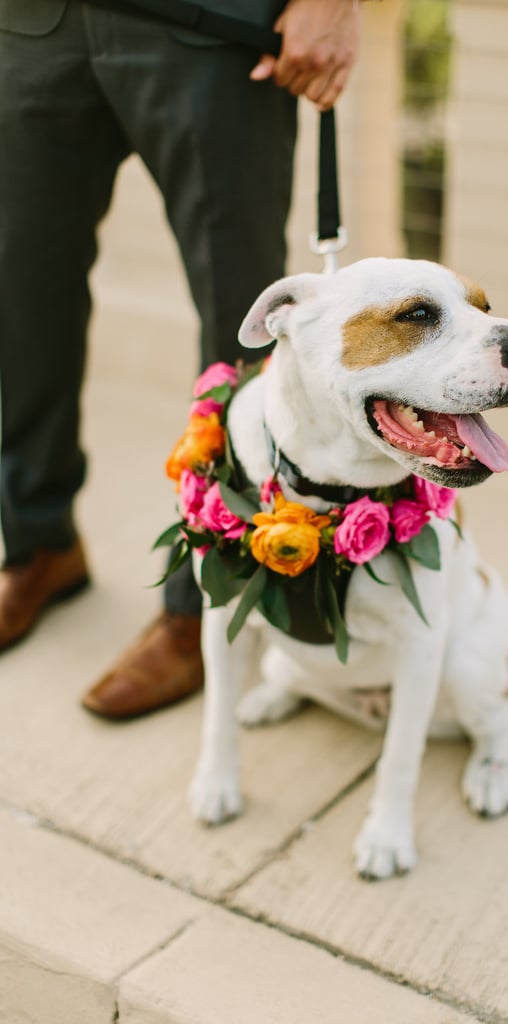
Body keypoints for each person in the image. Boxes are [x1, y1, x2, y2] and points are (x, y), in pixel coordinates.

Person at [0, 0, 362, 716]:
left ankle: (201, 603)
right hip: (29, 24)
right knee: (20, 299)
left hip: (212, 27)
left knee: (240, 331)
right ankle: (39, 543)